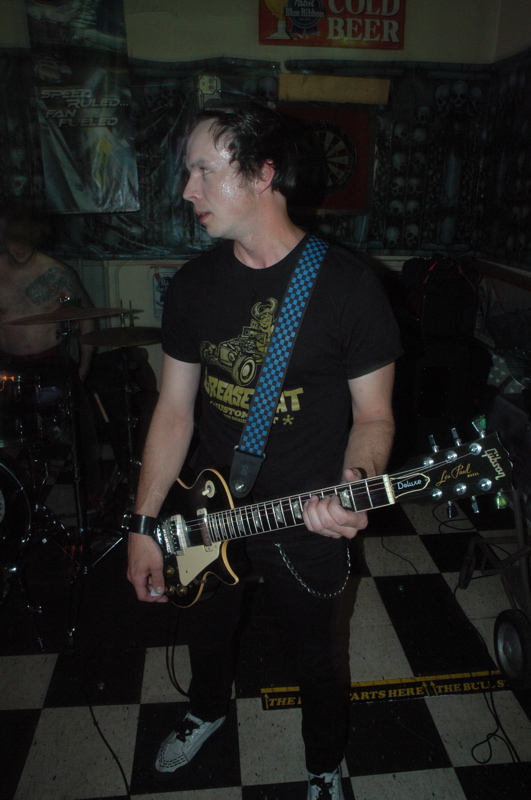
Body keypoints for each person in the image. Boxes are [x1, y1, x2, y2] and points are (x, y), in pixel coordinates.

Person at [127, 102, 402, 800]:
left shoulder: (347, 287)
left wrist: (356, 481)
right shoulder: (193, 286)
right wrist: (143, 523)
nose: (186, 190)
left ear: (262, 174)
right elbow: (174, 410)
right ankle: (207, 710)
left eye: (203, 171)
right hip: (209, 506)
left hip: (307, 514)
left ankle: (322, 766)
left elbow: (374, 415)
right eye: (187, 172)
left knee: (316, 656)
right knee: (207, 629)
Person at [0, 213, 103, 503]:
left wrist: (85, 363)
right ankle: (11, 492)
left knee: (82, 424)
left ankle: (92, 490)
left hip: (50, 361)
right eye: (15, 240)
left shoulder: (56, 272)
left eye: (26, 240)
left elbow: (86, 319)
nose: (21, 247)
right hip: (7, 366)